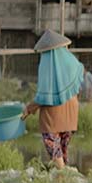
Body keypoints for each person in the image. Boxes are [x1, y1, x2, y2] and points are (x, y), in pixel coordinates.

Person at [23, 29, 83, 170]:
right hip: (71, 113)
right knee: (62, 149)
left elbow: (43, 96)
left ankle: (63, 176)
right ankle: (63, 177)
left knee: (55, 150)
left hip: (53, 116)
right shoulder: (72, 63)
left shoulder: (48, 66)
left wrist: (28, 109)